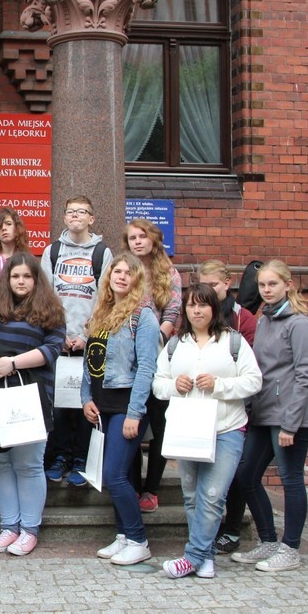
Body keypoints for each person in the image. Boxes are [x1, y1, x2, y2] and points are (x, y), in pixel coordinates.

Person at [152, 283, 262, 579]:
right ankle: (206, 557)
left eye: (203, 305)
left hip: (226, 429)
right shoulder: (175, 344)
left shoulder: (233, 342)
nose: (196, 310)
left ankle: (191, 557)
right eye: (191, 305)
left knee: (212, 495)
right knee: (192, 496)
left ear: (214, 308)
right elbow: (158, 383)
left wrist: (219, 385)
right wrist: (174, 386)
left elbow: (254, 381)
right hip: (187, 429)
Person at [231, 260, 308, 573]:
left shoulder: (299, 323)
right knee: (245, 475)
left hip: (289, 418)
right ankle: (268, 541)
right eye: (262, 285)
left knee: (290, 479)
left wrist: (290, 425)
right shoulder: (264, 319)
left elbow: (306, 375)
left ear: (288, 285)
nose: (267, 290)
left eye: (273, 284)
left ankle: (290, 548)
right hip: (263, 412)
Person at [0, 253, 65, 557]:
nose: (21, 281)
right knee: (1, 464)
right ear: (7, 279)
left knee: (28, 465)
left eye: (27, 276)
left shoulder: (50, 311)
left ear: (36, 279)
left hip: (31, 397)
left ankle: (29, 529)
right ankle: (9, 526)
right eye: (15, 276)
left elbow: (52, 349)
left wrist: (12, 362)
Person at [81, 252, 160, 566]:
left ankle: (139, 541)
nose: (122, 276)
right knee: (120, 474)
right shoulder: (102, 312)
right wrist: (86, 398)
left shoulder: (143, 317)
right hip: (102, 405)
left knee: (114, 475)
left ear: (137, 280)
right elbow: (90, 362)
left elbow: (146, 368)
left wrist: (135, 413)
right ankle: (123, 535)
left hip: (126, 406)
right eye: (117, 271)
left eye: (129, 273)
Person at [40, 196, 113, 487]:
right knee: (59, 403)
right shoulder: (53, 251)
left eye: (81, 212)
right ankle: (59, 456)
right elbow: (45, 297)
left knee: (86, 401)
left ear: (91, 219)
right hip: (59, 341)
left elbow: (105, 298)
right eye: (70, 212)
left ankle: (81, 459)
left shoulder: (102, 252)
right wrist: (59, 335)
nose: (75, 216)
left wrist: (86, 336)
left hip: (89, 341)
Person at [196, 259, 258, 555]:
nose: (208, 290)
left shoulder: (242, 318)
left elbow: (251, 368)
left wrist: (219, 383)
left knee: (231, 473)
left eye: (213, 285)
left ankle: (232, 529)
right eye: (203, 285)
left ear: (227, 283)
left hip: (232, 409)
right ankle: (203, 534)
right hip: (198, 407)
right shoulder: (194, 315)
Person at [123, 218, 183, 513]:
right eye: (132, 237)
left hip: (158, 354)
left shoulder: (169, 272)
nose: (137, 241)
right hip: (127, 356)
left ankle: (152, 488)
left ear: (154, 239)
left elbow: (173, 310)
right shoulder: (125, 270)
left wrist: (156, 338)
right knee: (130, 423)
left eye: (142, 236)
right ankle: (134, 486)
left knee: (159, 424)